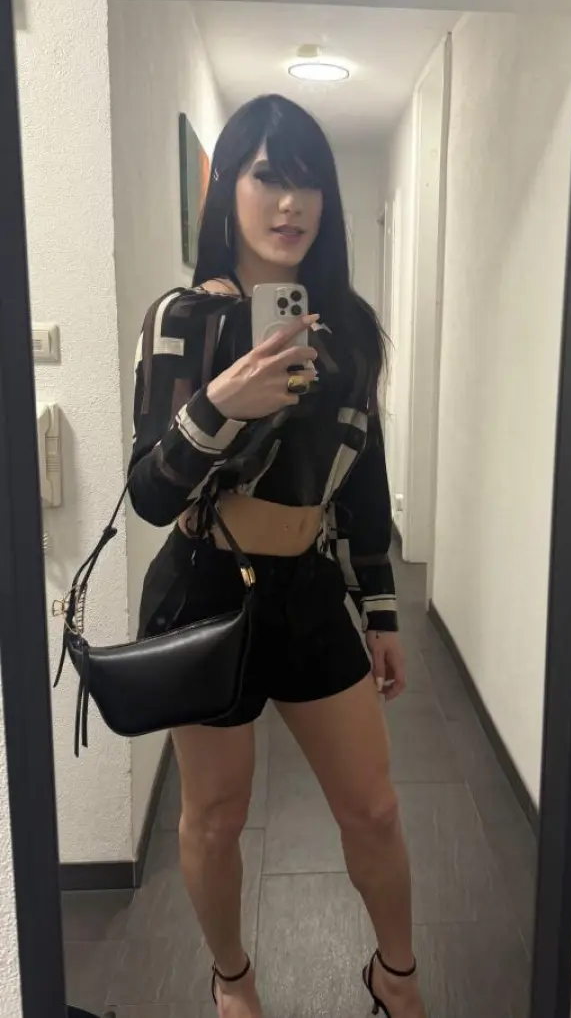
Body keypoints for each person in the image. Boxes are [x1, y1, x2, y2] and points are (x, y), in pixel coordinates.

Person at [127, 94, 427, 1018]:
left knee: (373, 806)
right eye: (267, 177)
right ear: (227, 190)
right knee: (215, 816)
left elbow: (364, 480)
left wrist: (381, 611)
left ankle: (396, 974)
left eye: (309, 182)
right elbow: (149, 493)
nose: (290, 202)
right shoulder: (182, 319)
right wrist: (222, 402)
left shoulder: (350, 331)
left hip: (307, 589)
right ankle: (233, 979)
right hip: (203, 585)